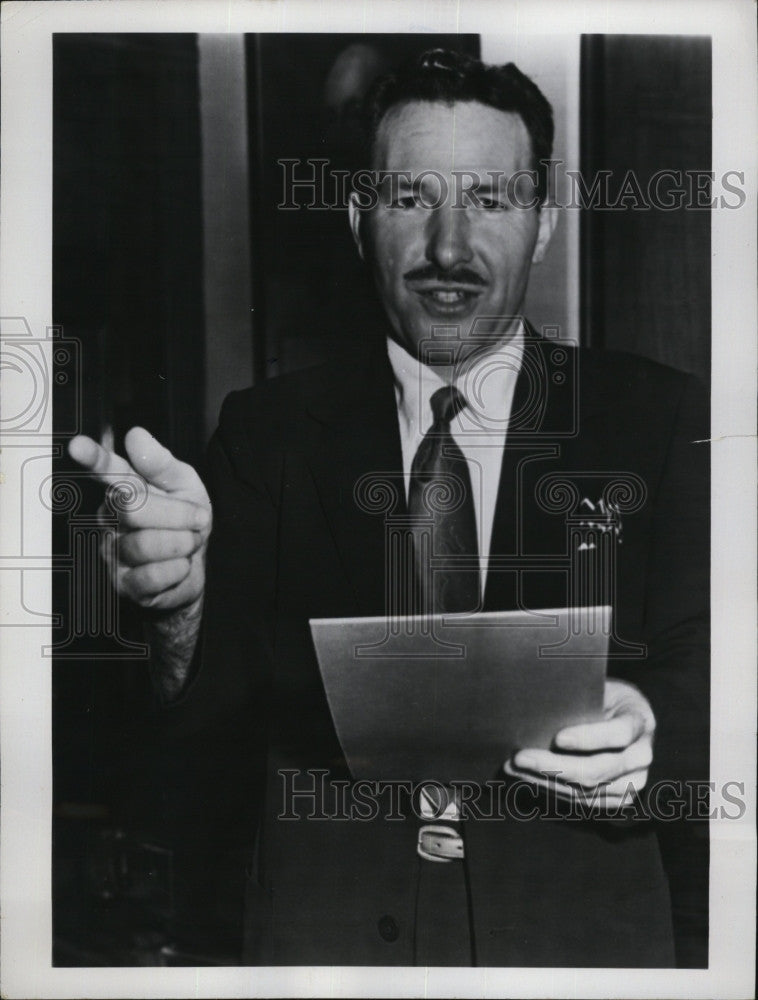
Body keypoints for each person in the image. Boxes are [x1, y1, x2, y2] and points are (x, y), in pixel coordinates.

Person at [69, 49, 709, 967]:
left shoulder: (661, 420)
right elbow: (194, 751)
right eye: (411, 197)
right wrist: (175, 608)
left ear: (543, 224)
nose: (449, 246)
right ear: (357, 217)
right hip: (324, 953)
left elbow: (721, 673)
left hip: (575, 950)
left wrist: (650, 725)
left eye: (489, 199)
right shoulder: (265, 436)